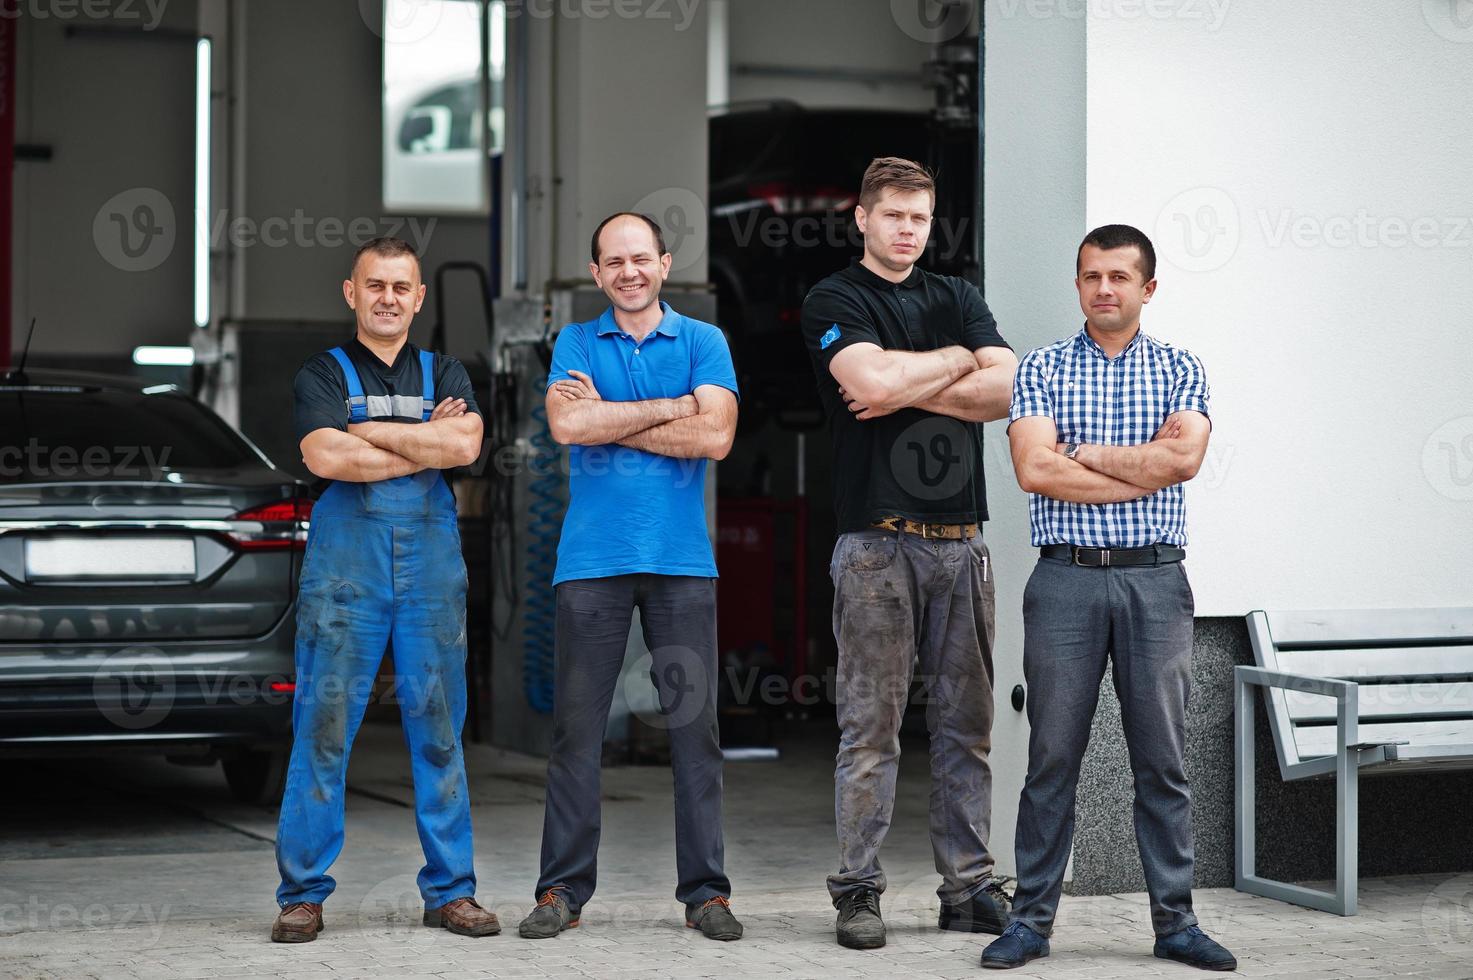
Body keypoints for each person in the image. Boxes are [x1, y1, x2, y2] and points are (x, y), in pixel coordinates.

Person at [982, 225, 1235, 971]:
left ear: (1146, 288)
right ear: (1078, 284)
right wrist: (1138, 470)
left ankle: (1176, 923)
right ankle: (1029, 922)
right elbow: (1034, 470)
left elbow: (1182, 458)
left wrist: (1083, 453)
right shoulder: (1041, 370)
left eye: (1119, 277)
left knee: (1161, 761)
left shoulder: (1181, 369)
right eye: (1091, 275)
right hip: (1063, 581)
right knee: (1051, 757)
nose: (1103, 289)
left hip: (1156, 582)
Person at [799, 157, 1019, 951]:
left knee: (967, 729)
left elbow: (1009, 386)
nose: (905, 230)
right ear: (861, 217)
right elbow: (863, 379)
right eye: (891, 215)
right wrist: (960, 361)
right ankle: (857, 893)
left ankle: (965, 889)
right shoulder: (834, 298)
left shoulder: (955, 295)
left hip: (961, 544)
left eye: (918, 218)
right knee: (870, 731)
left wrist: (909, 380)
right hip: (875, 547)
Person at [517, 212, 743, 943]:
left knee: (693, 731)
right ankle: (561, 890)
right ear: (596, 274)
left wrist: (612, 414)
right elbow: (567, 428)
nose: (628, 272)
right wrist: (674, 406)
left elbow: (715, 435)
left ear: (663, 263)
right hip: (590, 563)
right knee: (576, 735)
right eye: (613, 262)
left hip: (682, 564)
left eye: (639, 258)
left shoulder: (703, 341)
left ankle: (706, 893)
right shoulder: (575, 340)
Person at [271, 237, 496, 943]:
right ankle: (302, 894)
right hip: (346, 573)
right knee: (324, 728)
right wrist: (417, 436)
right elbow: (322, 452)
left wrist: (367, 431)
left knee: (438, 731)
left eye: (401, 286)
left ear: (419, 297)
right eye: (376, 285)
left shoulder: (448, 368)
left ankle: (451, 892)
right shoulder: (322, 372)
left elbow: (464, 449)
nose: (389, 297)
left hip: (430, 571)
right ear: (351, 292)